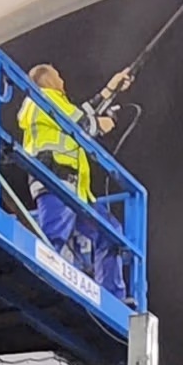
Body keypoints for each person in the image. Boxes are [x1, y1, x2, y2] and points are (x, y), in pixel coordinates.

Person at [17, 64, 128, 298]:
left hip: (73, 191)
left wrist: (110, 89)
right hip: (55, 182)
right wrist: (103, 124)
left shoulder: (53, 104)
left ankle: (112, 299)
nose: (62, 79)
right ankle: (40, 283)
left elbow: (78, 114)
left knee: (111, 232)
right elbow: (83, 124)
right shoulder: (41, 99)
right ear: (46, 80)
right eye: (58, 75)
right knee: (53, 238)